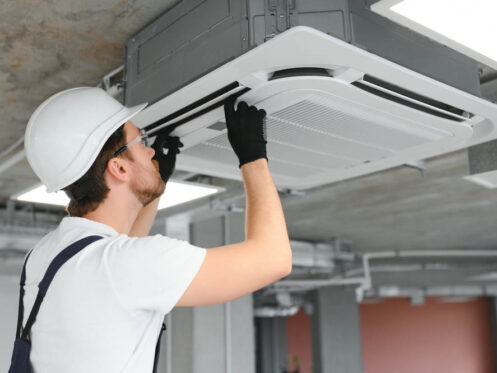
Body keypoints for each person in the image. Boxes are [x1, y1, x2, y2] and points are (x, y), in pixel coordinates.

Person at [15, 87, 292, 372]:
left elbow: (117, 271)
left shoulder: (45, 255)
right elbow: (274, 260)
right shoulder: (123, 264)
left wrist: (152, 184)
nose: (149, 150)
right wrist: (253, 157)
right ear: (119, 169)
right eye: (139, 142)